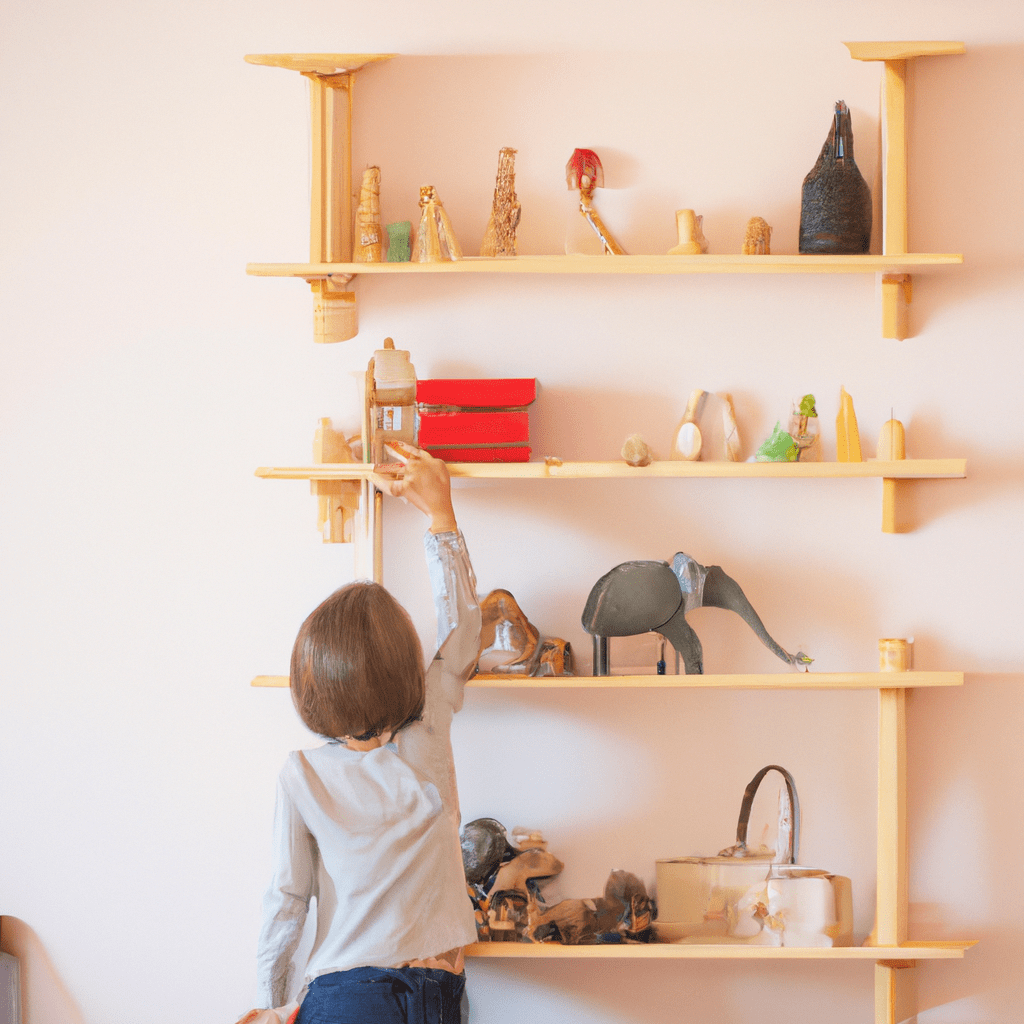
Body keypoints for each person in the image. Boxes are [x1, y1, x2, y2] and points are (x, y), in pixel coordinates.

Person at [237, 443, 481, 1024]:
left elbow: (286, 901)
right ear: (405, 670)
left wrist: (270, 1005)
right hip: (437, 991)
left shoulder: (302, 772)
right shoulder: (427, 737)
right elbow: (464, 630)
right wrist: (441, 514)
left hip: (346, 993)